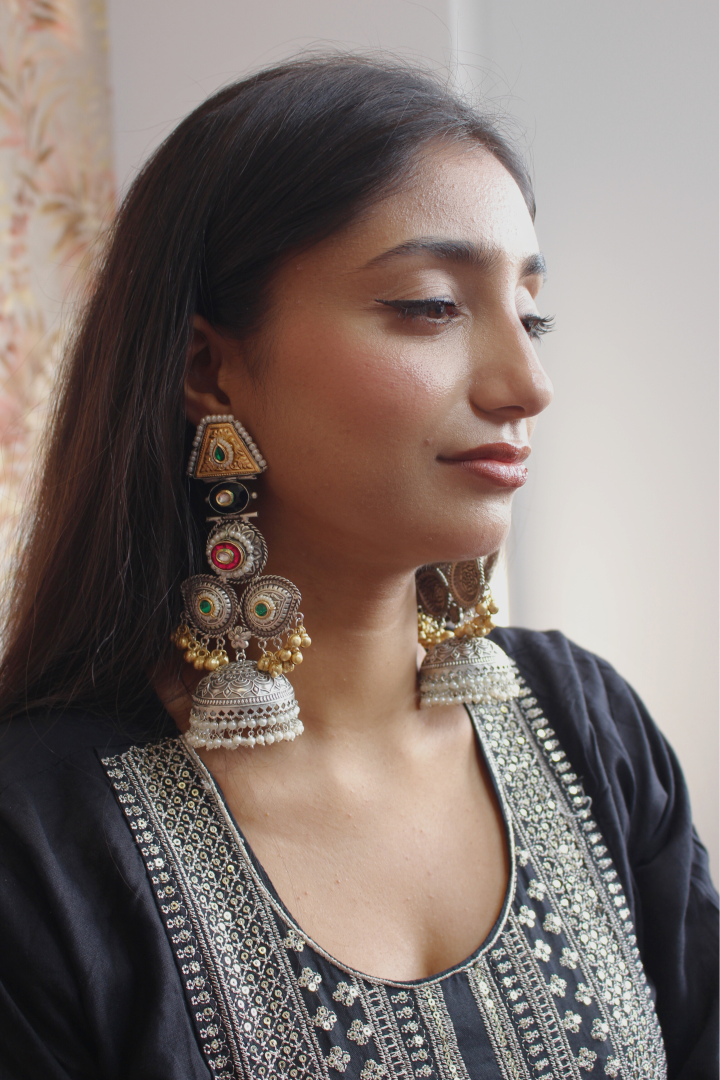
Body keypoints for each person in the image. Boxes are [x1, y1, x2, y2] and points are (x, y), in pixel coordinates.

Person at [0, 57, 715, 1080]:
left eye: (532, 313)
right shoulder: (37, 839)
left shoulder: (585, 724)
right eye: (431, 305)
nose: (528, 383)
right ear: (210, 369)